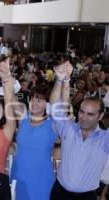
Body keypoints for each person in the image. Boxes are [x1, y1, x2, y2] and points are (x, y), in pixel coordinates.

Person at [49, 62, 109, 200]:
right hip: (59, 193)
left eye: (90, 114)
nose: (83, 117)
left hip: (86, 197)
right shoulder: (68, 128)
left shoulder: (105, 139)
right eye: (81, 112)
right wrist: (59, 80)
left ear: (100, 116)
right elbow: (54, 107)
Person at [10, 75, 58, 198]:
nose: (34, 103)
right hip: (19, 174)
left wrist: (60, 80)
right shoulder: (23, 118)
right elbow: (11, 97)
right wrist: (6, 77)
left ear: (47, 104)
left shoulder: (53, 122)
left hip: (41, 178)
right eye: (32, 99)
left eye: (39, 100)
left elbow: (55, 101)